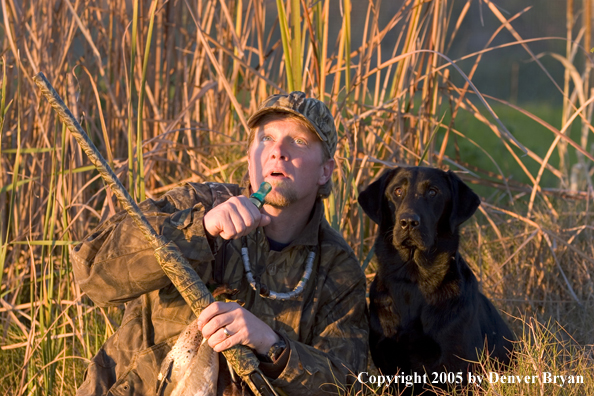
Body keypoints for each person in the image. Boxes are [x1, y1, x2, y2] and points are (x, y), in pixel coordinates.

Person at [72, 91, 369, 396]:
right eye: (266, 138)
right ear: (250, 154)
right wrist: (199, 230)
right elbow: (93, 274)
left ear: (325, 171)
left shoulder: (337, 269)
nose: (277, 151)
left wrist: (272, 345)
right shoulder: (194, 205)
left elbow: (345, 382)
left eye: (298, 141)